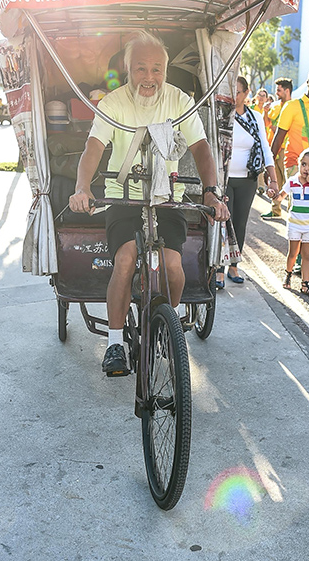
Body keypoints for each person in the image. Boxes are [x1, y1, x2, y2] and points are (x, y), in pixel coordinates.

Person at [69, 31, 231, 375]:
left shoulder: (179, 101)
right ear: (128, 70)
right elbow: (93, 149)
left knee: (173, 266)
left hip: (166, 198)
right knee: (125, 260)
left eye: (157, 69)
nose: (149, 77)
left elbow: (201, 147)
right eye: (141, 69)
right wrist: (83, 187)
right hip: (123, 198)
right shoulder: (112, 103)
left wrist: (211, 190)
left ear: (166, 71)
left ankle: (166, 328)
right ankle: (114, 343)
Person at [214, 76, 279, 288]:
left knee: (240, 223)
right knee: (225, 222)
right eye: (231, 92)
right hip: (225, 179)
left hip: (247, 179)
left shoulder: (256, 117)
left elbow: (265, 149)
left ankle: (234, 265)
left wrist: (273, 180)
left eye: (239, 92)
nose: (235, 96)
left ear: (247, 93)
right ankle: (219, 268)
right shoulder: (221, 116)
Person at [270, 68, 309, 274]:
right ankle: (299, 256)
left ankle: (303, 251)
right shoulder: (292, 106)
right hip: (294, 164)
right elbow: (279, 137)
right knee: (297, 206)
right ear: (307, 83)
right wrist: (269, 163)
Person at [272, 148, 309, 297]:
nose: (306, 168)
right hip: (294, 223)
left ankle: (305, 284)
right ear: (298, 164)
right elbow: (280, 197)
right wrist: (273, 194)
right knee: (293, 253)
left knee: (307, 255)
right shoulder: (292, 181)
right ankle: (288, 274)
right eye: (303, 164)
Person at [261, 77, 293, 220]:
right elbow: (266, 124)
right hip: (274, 149)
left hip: (288, 150)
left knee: (291, 182)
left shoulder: (294, 107)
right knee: (276, 180)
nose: (276, 93)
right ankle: (275, 209)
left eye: (279, 90)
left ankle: (293, 212)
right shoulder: (274, 106)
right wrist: (266, 112)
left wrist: (277, 128)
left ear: (287, 90)